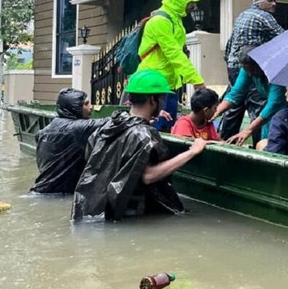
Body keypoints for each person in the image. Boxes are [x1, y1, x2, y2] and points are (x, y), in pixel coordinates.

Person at [71, 69, 207, 221]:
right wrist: (192, 152)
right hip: (125, 215)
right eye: (162, 98)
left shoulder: (109, 124)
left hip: (93, 211)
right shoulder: (142, 134)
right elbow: (148, 176)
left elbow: (91, 154)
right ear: (152, 100)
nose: (163, 104)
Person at [219, 0, 284, 145]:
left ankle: (224, 140)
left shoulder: (242, 15)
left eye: (275, 1)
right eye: (270, 0)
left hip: (238, 65)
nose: (274, 4)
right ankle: (259, 142)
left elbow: (229, 45)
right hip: (256, 65)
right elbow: (285, 39)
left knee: (235, 108)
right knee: (258, 107)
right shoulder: (264, 17)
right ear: (259, 2)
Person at [137, 0, 206, 132]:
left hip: (166, 81)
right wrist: (195, 79)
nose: (194, 5)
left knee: (166, 128)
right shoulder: (161, 21)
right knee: (156, 129)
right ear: (181, 0)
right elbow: (173, 52)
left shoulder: (173, 18)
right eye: (191, 1)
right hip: (154, 82)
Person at [30, 88, 107, 194]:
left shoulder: (45, 130)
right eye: (86, 104)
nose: (91, 107)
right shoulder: (76, 128)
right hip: (57, 195)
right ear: (74, 107)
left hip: (43, 190)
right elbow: (114, 121)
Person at [212, 45, 286, 146]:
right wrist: (216, 111)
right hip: (269, 115)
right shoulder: (248, 69)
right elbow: (236, 92)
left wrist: (247, 130)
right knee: (265, 142)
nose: (250, 74)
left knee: (276, 143)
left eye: (252, 70)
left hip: (286, 112)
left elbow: (274, 103)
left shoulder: (275, 70)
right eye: (247, 70)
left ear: (261, 64)